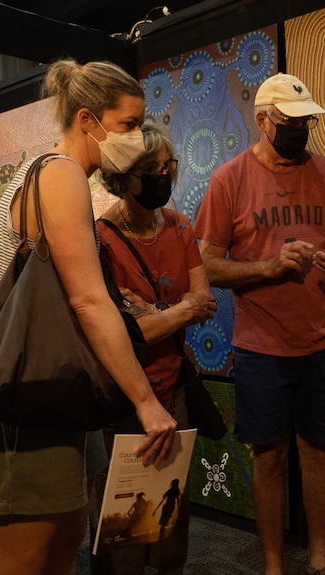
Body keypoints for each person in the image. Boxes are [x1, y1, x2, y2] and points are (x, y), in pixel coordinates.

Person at [0, 59, 177, 575]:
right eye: (127, 125)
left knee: (61, 542)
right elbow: (88, 301)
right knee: (20, 561)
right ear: (87, 120)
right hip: (28, 396)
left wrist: (25, 274)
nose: (136, 139)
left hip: (49, 392)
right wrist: (145, 403)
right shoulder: (59, 176)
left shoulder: (34, 173)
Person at [193, 73, 325, 575]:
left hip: (324, 342)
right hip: (261, 346)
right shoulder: (229, 179)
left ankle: (319, 559)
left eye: (306, 122)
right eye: (289, 123)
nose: (299, 131)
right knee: (268, 458)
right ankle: (272, 566)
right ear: (263, 120)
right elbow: (206, 265)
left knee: (319, 453)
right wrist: (269, 268)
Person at [89, 125, 216, 575]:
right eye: (150, 169)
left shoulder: (181, 227)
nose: (163, 176)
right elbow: (126, 331)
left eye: (167, 167)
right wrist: (175, 310)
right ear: (122, 177)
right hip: (120, 402)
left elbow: (205, 305)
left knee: (169, 528)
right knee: (121, 535)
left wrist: (156, 313)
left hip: (172, 393)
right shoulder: (99, 238)